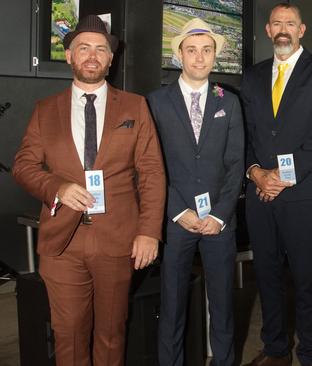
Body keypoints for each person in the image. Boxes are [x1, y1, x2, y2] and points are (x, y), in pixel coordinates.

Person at [12, 15, 166, 366]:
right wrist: (57, 186)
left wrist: (148, 232)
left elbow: (153, 172)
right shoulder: (44, 110)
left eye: (101, 49)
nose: (92, 55)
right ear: (69, 56)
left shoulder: (135, 106)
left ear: (111, 59)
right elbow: (23, 166)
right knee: (68, 334)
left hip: (118, 239)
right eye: (84, 48)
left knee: (112, 333)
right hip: (62, 244)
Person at [239, 3, 312, 366]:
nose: (283, 29)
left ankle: (310, 353)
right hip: (259, 194)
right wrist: (255, 172)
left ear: (302, 30)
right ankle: (276, 349)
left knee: (305, 278)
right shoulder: (251, 76)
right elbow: (245, 133)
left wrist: (282, 175)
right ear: (268, 30)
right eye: (277, 23)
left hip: (303, 194)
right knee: (265, 275)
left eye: (290, 23)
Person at [147, 18, 244, 366]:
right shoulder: (155, 102)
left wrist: (219, 214)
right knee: (172, 307)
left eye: (207, 51)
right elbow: (150, 166)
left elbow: (236, 164)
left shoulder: (228, 102)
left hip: (220, 221)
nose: (200, 58)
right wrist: (177, 210)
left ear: (215, 56)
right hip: (176, 221)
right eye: (192, 51)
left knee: (222, 306)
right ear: (180, 56)